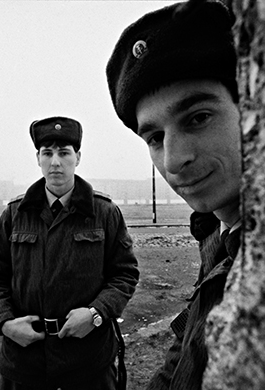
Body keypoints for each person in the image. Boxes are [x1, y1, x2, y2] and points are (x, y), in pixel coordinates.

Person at [106, 0, 242, 389]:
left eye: (198, 118)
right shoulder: (217, 233)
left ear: (251, 106)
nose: (174, 159)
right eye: (155, 137)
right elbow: (188, 347)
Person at [0, 116, 140, 390]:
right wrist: (5, 323)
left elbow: (124, 274)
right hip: (24, 363)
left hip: (87, 361)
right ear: (38, 158)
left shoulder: (104, 213)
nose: (55, 162)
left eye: (64, 153)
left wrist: (95, 314)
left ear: (77, 157)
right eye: (48, 153)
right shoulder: (15, 214)